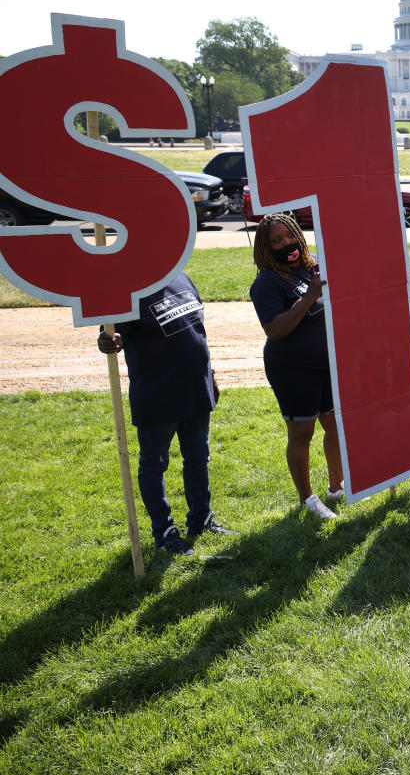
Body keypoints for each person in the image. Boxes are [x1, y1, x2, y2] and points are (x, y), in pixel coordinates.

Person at [96, 271, 234, 555]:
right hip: (157, 394)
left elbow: (196, 332)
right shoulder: (127, 288)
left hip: (196, 386)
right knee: (154, 463)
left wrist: (211, 376)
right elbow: (109, 335)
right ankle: (164, 533)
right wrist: (107, 341)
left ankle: (200, 520)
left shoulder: (180, 276)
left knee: (198, 456)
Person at [249, 212, 344, 520]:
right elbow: (275, 329)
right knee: (302, 433)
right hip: (293, 368)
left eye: (290, 236)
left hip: (326, 362)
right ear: (265, 247)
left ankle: (337, 486)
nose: (286, 244)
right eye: (276, 240)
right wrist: (310, 297)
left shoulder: (311, 264)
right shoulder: (266, 282)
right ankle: (309, 499)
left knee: (335, 426)